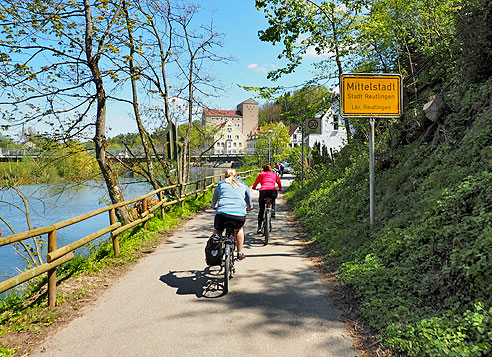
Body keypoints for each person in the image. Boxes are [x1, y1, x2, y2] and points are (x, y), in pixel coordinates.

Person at [211, 168, 253, 260]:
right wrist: (250, 207)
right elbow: (248, 198)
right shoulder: (243, 184)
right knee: (238, 230)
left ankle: (214, 252)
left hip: (222, 214)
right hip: (239, 215)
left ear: (225, 176)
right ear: (236, 176)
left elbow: (215, 197)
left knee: (217, 231)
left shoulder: (221, 184)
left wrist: (213, 206)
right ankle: (240, 253)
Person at [252, 163, 282, 234]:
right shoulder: (274, 174)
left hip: (263, 191)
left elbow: (255, 183)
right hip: (272, 191)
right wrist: (280, 188)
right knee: (273, 198)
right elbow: (279, 182)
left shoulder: (261, 175)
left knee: (261, 210)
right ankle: (273, 209)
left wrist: (254, 188)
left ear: (263, 169)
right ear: (270, 169)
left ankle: (259, 227)